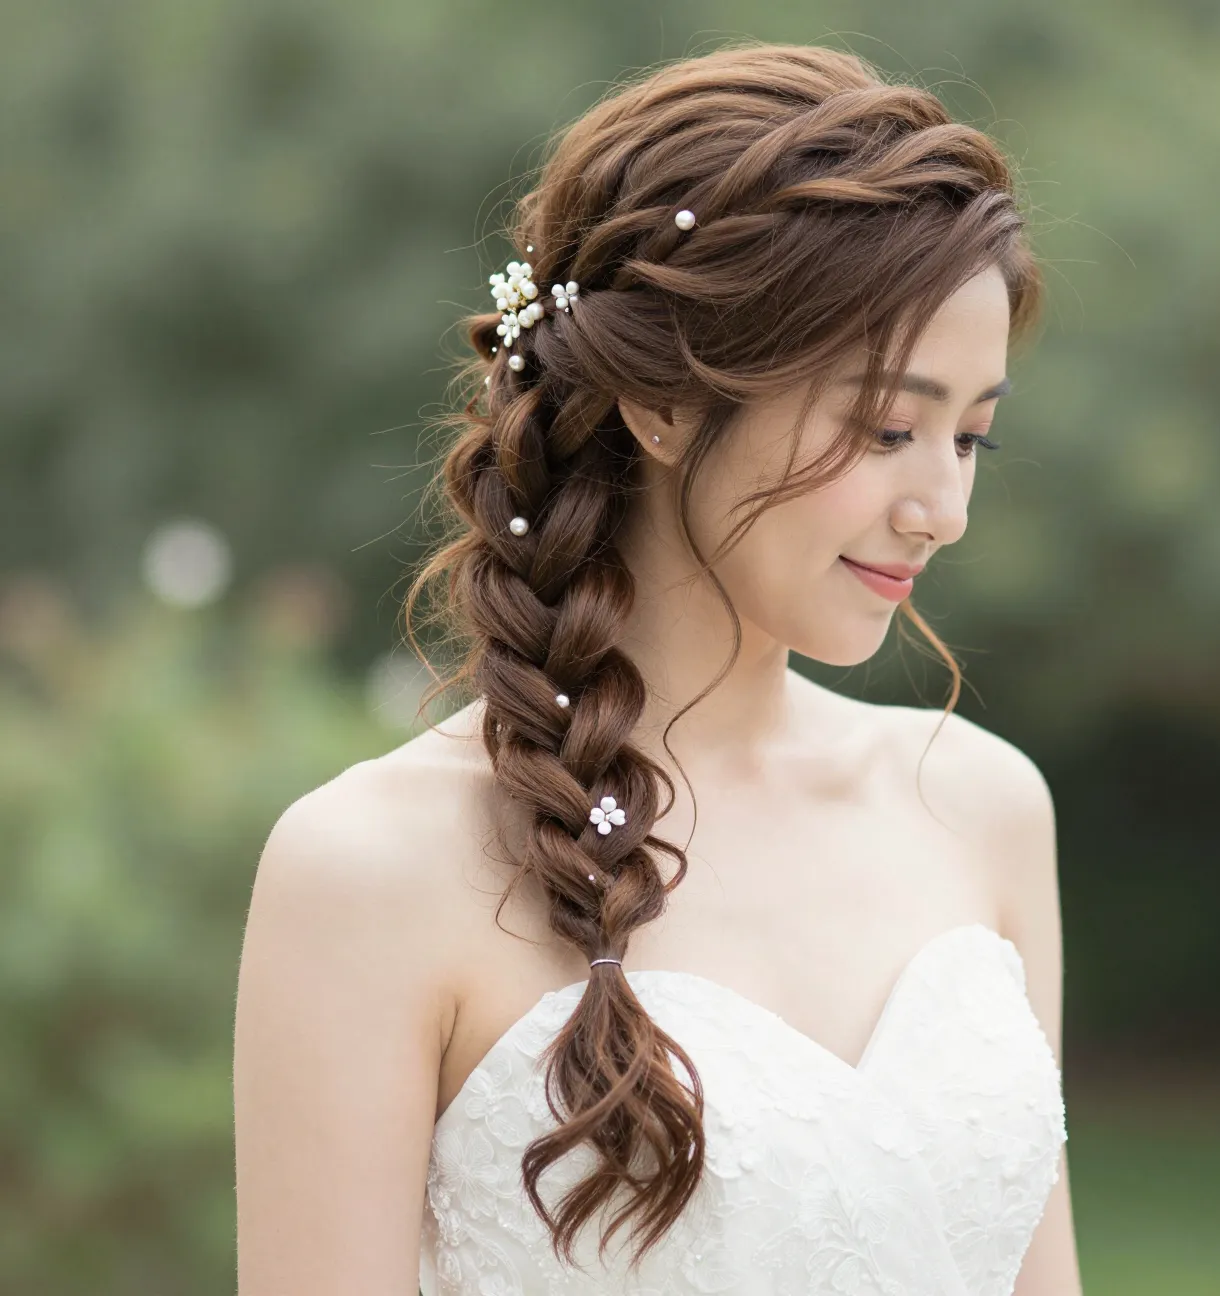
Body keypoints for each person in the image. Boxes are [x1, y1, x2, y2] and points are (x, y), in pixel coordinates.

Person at [234, 40, 1079, 1296]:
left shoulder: (982, 807)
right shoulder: (366, 870)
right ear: (666, 406)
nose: (942, 506)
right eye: (889, 427)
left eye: (972, 439)